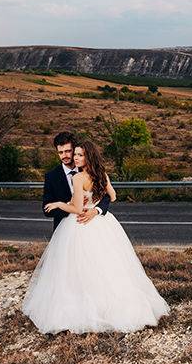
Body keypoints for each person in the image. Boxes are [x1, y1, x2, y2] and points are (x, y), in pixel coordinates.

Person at [21, 140, 170, 334]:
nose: (74, 157)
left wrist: (60, 203)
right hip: (104, 226)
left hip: (82, 223)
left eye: (78, 154)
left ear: (88, 156)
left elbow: (76, 208)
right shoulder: (101, 174)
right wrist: (93, 202)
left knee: (87, 266)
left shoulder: (78, 178)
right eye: (73, 154)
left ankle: (88, 308)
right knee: (103, 264)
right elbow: (113, 195)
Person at [42, 131, 110, 232]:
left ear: (74, 149)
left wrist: (96, 211)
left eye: (68, 151)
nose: (64, 155)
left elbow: (106, 196)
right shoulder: (51, 176)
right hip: (65, 230)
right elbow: (46, 210)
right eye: (60, 152)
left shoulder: (89, 171)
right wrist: (70, 206)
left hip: (92, 225)